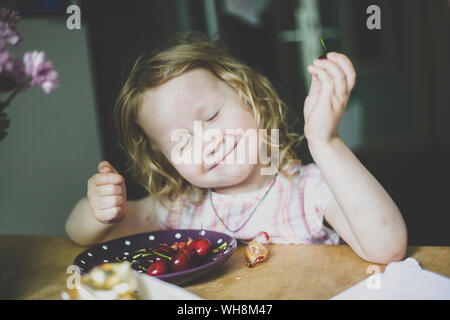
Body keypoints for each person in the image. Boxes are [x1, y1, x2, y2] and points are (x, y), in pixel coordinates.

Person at [65, 32, 407, 264]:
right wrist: (97, 211)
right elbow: (82, 234)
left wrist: (324, 142)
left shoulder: (306, 189)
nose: (208, 141)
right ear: (166, 161)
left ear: (249, 96)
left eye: (212, 115)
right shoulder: (180, 206)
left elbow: (387, 248)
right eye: (183, 141)